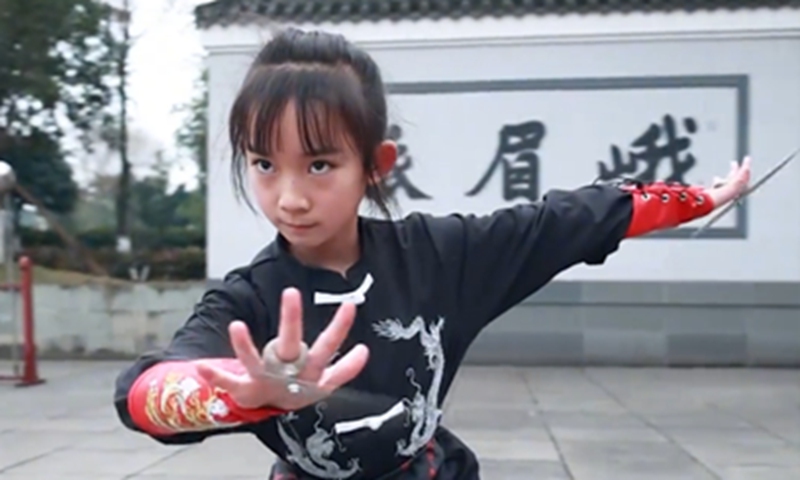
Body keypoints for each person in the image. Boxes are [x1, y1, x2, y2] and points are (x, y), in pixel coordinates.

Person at [113, 27, 751, 480]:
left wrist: (695, 201)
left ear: (376, 165)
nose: (289, 197)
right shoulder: (248, 300)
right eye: (263, 163)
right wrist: (242, 394)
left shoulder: (440, 258)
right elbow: (147, 392)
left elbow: (561, 223)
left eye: (319, 164)